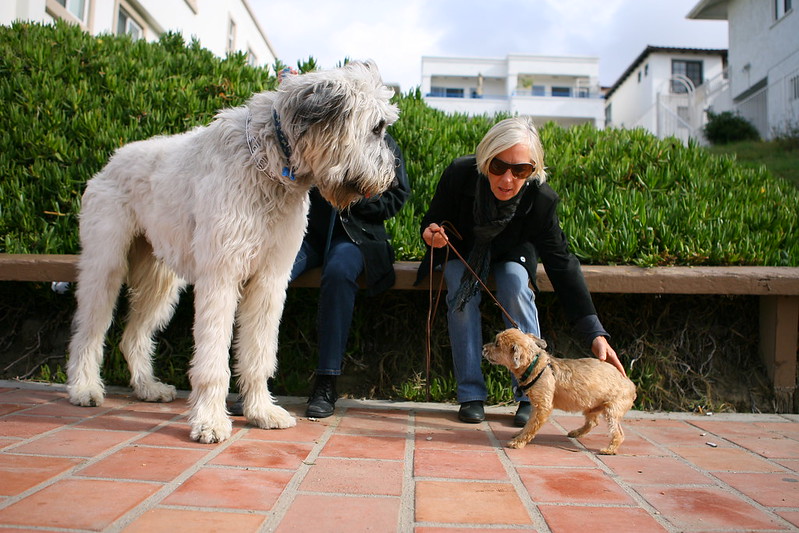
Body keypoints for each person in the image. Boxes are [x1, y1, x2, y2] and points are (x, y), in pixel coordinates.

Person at [416, 116, 625, 426]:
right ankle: (470, 394)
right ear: (485, 159)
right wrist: (431, 235)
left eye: (521, 170)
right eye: (498, 167)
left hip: (513, 253)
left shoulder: (541, 199)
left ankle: (531, 394)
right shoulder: (460, 174)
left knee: (515, 284)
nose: (507, 179)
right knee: (459, 284)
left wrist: (594, 333)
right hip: (464, 248)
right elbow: (432, 220)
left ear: (533, 170)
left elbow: (562, 262)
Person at [230, 132, 410, 418]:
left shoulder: (384, 143)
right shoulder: (319, 137)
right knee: (265, 279)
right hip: (305, 233)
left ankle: (326, 382)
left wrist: (354, 196)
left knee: (339, 272)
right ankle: (253, 385)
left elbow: (397, 196)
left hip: (356, 237)